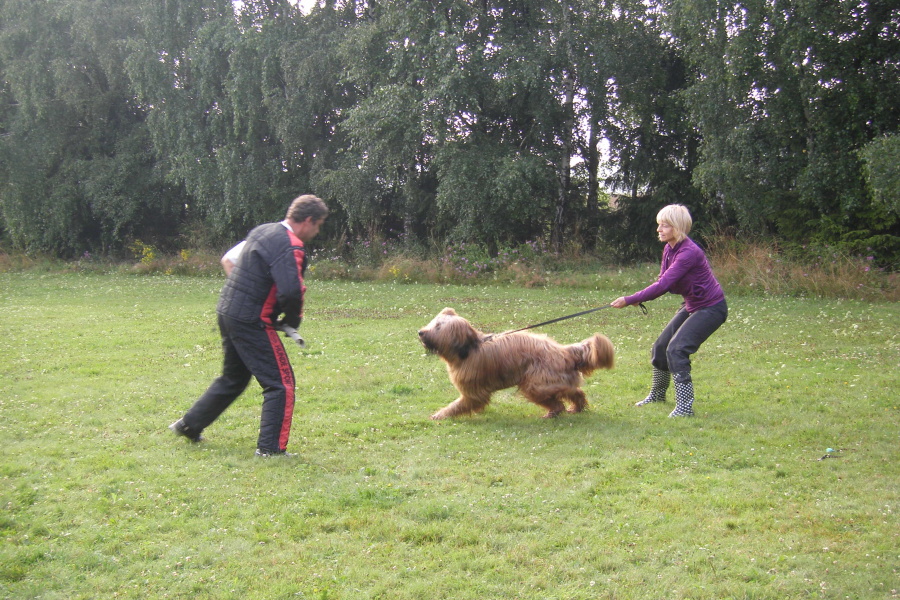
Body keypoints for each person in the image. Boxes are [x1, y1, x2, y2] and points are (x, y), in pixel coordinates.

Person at [169, 194, 328, 455]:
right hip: (252, 320)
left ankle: (189, 425)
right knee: (280, 384)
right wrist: (291, 322)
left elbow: (229, 260)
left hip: (228, 312)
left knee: (233, 378)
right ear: (308, 220)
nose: (317, 230)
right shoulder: (291, 245)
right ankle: (270, 450)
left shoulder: (262, 231)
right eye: (318, 224)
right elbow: (291, 291)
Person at [610, 204, 727, 417]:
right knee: (661, 346)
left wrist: (630, 299)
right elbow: (663, 280)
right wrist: (640, 297)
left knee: (677, 349)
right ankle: (657, 394)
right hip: (692, 304)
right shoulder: (669, 248)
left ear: (678, 227)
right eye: (659, 225)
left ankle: (685, 407)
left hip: (711, 308)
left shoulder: (688, 252)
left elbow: (664, 285)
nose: (659, 229)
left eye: (665, 225)